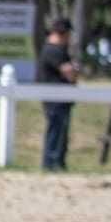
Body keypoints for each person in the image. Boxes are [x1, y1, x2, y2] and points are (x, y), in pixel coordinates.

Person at [37, 18, 78, 170]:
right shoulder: (53, 50)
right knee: (56, 131)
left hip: (61, 98)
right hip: (55, 100)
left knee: (60, 132)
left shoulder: (57, 50)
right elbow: (70, 73)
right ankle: (52, 163)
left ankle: (56, 162)